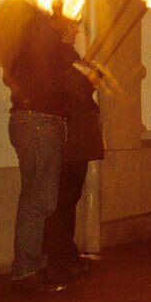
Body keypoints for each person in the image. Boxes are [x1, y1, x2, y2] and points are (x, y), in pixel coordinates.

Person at [0, 0, 81, 292]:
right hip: (39, 121)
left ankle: (32, 266)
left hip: (34, 120)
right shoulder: (31, 19)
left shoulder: (20, 20)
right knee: (38, 199)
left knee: (39, 198)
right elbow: (61, 58)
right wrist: (65, 38)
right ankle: (26, 270)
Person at [42, 16, 104, 282]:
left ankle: (64, 252)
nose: (77, 30)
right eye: (73, 26)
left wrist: (92, 76)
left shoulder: (72, 56)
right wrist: (90, 78)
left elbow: (90, 83)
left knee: (69, 199)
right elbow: (76, 89)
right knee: (64, 200)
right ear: (62, 29)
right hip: (71, 141)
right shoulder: (60, 56)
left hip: (78, 141)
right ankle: (59, 255)